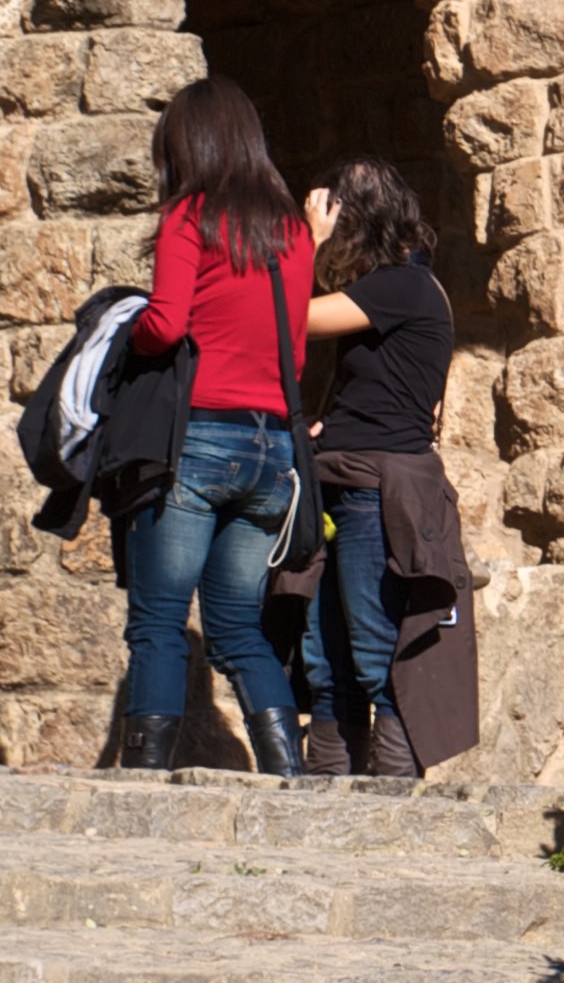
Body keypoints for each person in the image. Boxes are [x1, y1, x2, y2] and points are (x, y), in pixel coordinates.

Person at [105, 79, 315, 774]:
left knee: (159, 621)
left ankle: (142, 782)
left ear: (185, 145)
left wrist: (125, 333)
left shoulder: (190, 216)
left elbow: (165, 326)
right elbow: (294, 353)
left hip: (198, 442)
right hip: (272, 451)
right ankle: (288, 776)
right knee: (237, 629)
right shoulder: (292, 231)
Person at [287, 157, 475, 780]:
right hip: (344, 483)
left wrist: (307, 241)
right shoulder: (388, 290)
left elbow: (291, 320)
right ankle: (329, 788)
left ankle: (393, 801)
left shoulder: (403, 286)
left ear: (355, 221)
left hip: (375, 494)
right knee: (324, 658)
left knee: (374, 652)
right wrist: (331, 422)